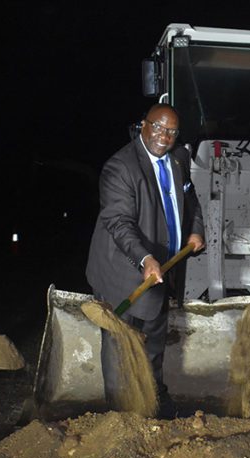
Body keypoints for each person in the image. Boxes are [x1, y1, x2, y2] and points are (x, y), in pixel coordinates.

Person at [85, 103, 205, 418]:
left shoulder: (179, 159)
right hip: (121, 272)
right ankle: (120, 416)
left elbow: (190, 198)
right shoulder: (120, 167)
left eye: (171, 131)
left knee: (153, 340)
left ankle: (154, 403)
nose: (164, 137)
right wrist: (144, 258)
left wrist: (195, 231)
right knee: (119, 348)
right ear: (143, 125)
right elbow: (118, 222)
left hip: (161, 270)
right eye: (158, 127)